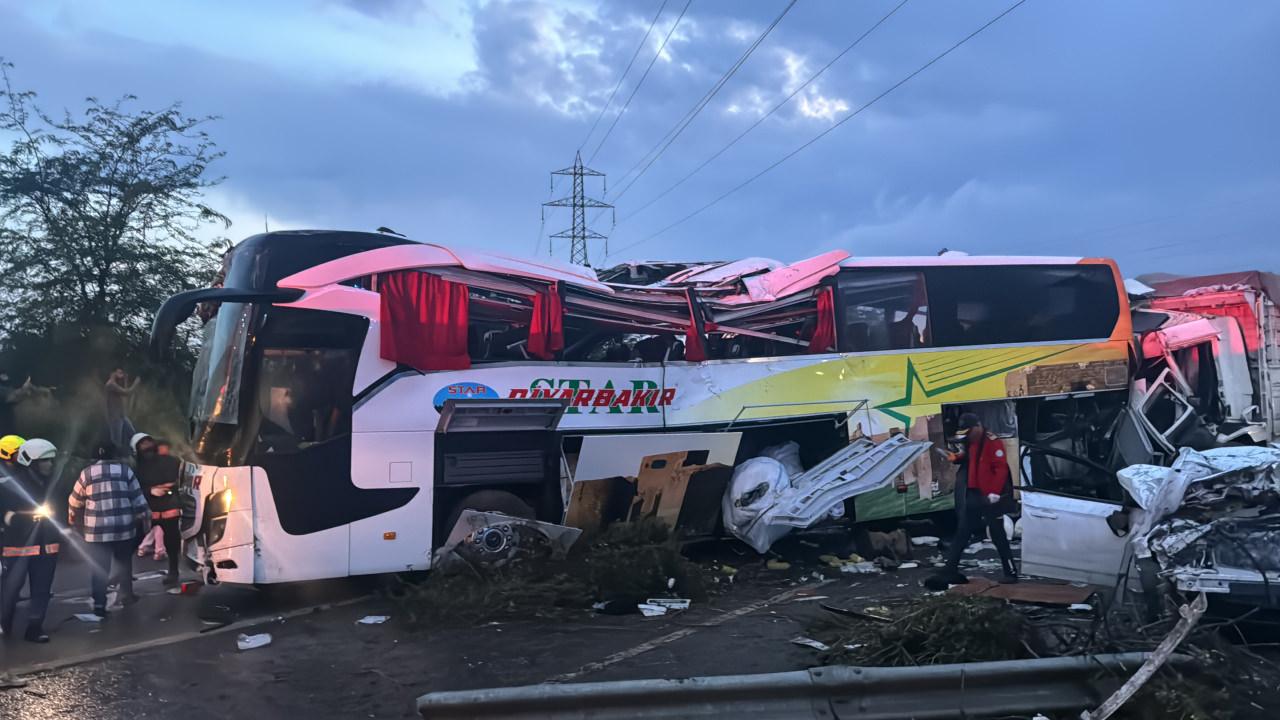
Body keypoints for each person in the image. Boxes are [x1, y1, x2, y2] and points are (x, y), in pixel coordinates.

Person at [925, 413, 1018, 590]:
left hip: (990, 497)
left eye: (969, 431)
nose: (967, 435)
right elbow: (969, 458)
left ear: (978, 427)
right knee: (963, 532)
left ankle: (1011, 572)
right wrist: (956, 458)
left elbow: (1000, 469)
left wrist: (994, 492)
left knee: (998, 534)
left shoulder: (992, 442)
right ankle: (950, 569)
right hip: (974, 494)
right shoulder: (971, 441)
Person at [68, 442, 150, 617]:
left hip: (96, 531)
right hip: (123, 528)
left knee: (99, 568)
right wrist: (144, 517)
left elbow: (75, 501)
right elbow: (138, 499)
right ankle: (126, 595)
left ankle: (99, 604)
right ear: (115, 455)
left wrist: (73, 516)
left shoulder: (87, 473)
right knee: (124, 563)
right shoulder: (125, 471)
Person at [1, 439, 61, 642]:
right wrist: (18, 518)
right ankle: (4, 623)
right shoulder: (9, 485)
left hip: (47, 546)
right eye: (44, 461)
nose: (49, 464)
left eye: (50, 460)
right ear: (30, 462)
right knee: (10, 589)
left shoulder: (53, 485)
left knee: (42, 590)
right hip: (18, 548)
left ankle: (35, 628)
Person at [131, 433, 182, 586]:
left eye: (149, 443)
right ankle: (124, 574)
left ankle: (173, 573)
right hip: (147, 511)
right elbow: (132, 488)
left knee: (172, 543)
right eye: (143, 444)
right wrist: (150, 491)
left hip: (169, 508)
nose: (147, 446)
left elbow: (179, 479)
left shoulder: (171, 461)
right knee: (133, 542)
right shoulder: (134, 468)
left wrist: (170, 487)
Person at [104, 368, 141, 449]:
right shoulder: (111, 385)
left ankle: (135, 451)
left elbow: (125, 391)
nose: (121, 374)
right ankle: (115, 455)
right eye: (119, 372)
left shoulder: (115, 384)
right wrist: (136, 383)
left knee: (132, 434)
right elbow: (126, 393)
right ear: (113, 373)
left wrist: (125, 380)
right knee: (116, 441)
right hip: (115, 418)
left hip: (121, 416)